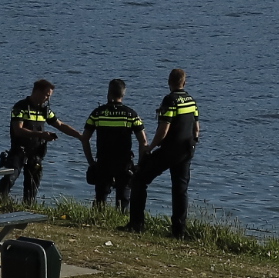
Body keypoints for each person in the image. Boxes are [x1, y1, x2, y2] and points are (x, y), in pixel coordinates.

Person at [125, 68, 201, 239]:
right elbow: (196, 128)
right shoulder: (191, 100)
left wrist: (150, 147)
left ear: (169, 82)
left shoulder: (170, 100)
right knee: (180, 190)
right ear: (184, 82)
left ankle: (136, 224)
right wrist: (194, 144)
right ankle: (178, 231)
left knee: (140, 179)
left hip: (170, 150)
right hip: (187, 150)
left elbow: (164, 130)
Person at [4, 79, 82, 206]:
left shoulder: (45, 110)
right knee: (10, 177)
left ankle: (28, 206)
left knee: (33, 182)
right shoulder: (21, 107)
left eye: (49, 96)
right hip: (20, 149)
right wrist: (41, 135)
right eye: (47, 95)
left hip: (36, 152)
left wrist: (79, 136)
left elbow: (60, 125)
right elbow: (18, 130)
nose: (48, 99)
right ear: (37, 92)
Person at [81, 79, 146, 212]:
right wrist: (140, 164)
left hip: (103, 161)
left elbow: (85, 138)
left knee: (100, 198)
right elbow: (143, 141)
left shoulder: (97, 113)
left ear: (108, 92)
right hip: (124, 162)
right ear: (123, 93)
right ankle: (120, 221)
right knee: (123, 199)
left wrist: (91, 162)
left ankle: (98, 220)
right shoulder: (131, 115)